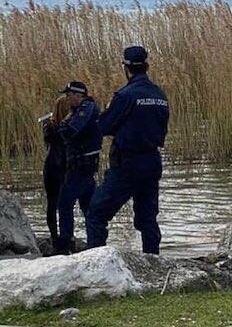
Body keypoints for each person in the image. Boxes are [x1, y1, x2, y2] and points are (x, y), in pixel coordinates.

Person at [86, 46, 169, 255]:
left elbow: (104, 126)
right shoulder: (159, 95)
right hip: (152, 161)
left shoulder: (125, 95)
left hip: (127, 164)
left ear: (126, 67)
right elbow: (162, 128)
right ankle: (153, 262)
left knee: (96, 213)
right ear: (146, 66)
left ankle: (96, 265)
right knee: (147, 218)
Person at [55, 81, 102, 254]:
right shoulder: (79, 110)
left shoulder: (87, 108)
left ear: (78, 95)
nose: (67, 99)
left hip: (81, 166)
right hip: (82, 166)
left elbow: (70, 131)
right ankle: (95, 244)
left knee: (65, 203)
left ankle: (66, 244)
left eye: (69, 95)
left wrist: (61, 125)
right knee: (88, 207)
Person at [41, 94, 71, 248]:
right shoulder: (73, 125)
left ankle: (54, 238)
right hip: (66, 166)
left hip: (51, 165)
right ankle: (67, 237)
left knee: (51, 204)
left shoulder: (48, 125)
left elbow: (48, 140)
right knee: (66, 204)